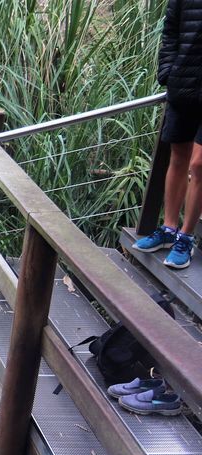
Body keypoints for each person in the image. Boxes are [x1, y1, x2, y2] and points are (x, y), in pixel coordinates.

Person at [133, 0, 202, 270]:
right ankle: (169, 229)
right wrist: (167, 72)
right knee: (178, 157)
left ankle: (186, 237)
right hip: (184, 85)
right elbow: (171, 30)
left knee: (198, 165)